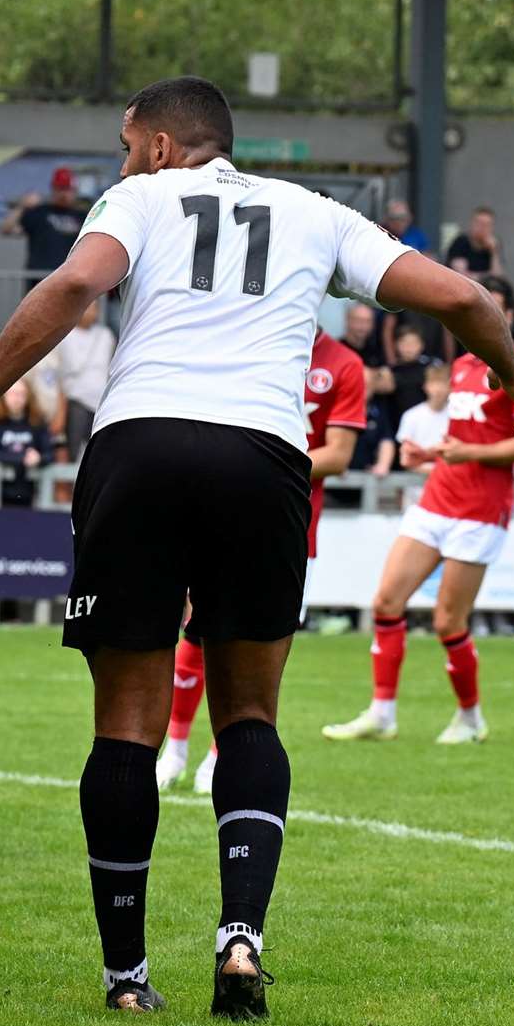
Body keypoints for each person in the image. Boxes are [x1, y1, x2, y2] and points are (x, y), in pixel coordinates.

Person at [0, 76, 514, 1019]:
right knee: (249, 714)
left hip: (141, 446)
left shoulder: (139, 198)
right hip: (263, 455)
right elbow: (460, 296)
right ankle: (240, 941)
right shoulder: (317, 213)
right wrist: (512, 373)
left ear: (164, 146)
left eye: (128, 144)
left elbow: (79, 283)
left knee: (124, 723)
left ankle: (126, 976)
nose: (123, 160)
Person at [154, 324, 370, 794]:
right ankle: (174, 748)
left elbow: (339, 454)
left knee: (255, 645)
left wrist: (266, 466)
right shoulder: (251, 339)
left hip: (290, 524)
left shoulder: (344, 364)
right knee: (196, 630)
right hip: (223, 506)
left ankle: (218, 754)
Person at [323, 331, 514, 746]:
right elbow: (466, 439)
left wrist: (470, 454)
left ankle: (470, 717)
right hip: (437, 497)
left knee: (448, 621)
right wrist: (429, 455)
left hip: (481, 509)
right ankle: (382, 713)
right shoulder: (462, 367)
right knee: (386, 602)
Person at [0, 167, 86, 287]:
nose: (64, 194)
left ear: (75, 191)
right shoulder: (39, 212)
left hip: (69, 278)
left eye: (68, 189)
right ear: (53, 189)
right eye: (61, 189)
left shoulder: (83, 216)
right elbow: (6, 229)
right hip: (39, 280)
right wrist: (22, 206)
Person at [54, 301, 114, 461]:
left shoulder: (106, 336)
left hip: (101, 404)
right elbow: (59, 373)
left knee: (100, 452)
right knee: (74, 452)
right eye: (86, 306)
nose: (90, 311)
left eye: (94, 307)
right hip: (76, 402)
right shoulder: (64, 336)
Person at [0, 377, 53, 506]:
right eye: (12, 393)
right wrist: (21, 457)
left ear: (28, 396)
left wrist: (38, 458)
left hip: (30, 493)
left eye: (21, 394)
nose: (16, 399)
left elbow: (49, 453)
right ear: (4, 395)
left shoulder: (37, 422)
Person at [446, 206, 504, 280]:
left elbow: (497, 277)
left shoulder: (494, 244)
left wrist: (494, 252)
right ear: (472, 223)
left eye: (486, 225)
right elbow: (461, 274)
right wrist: (485, 276)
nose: (482, 228)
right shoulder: (461, 242)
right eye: (479, 223)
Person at [339, 303, 385, 367]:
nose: (363, 326)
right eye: (358, 320)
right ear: (348, 320)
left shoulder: (376, 351)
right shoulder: (337, 350)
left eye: (367, 321)